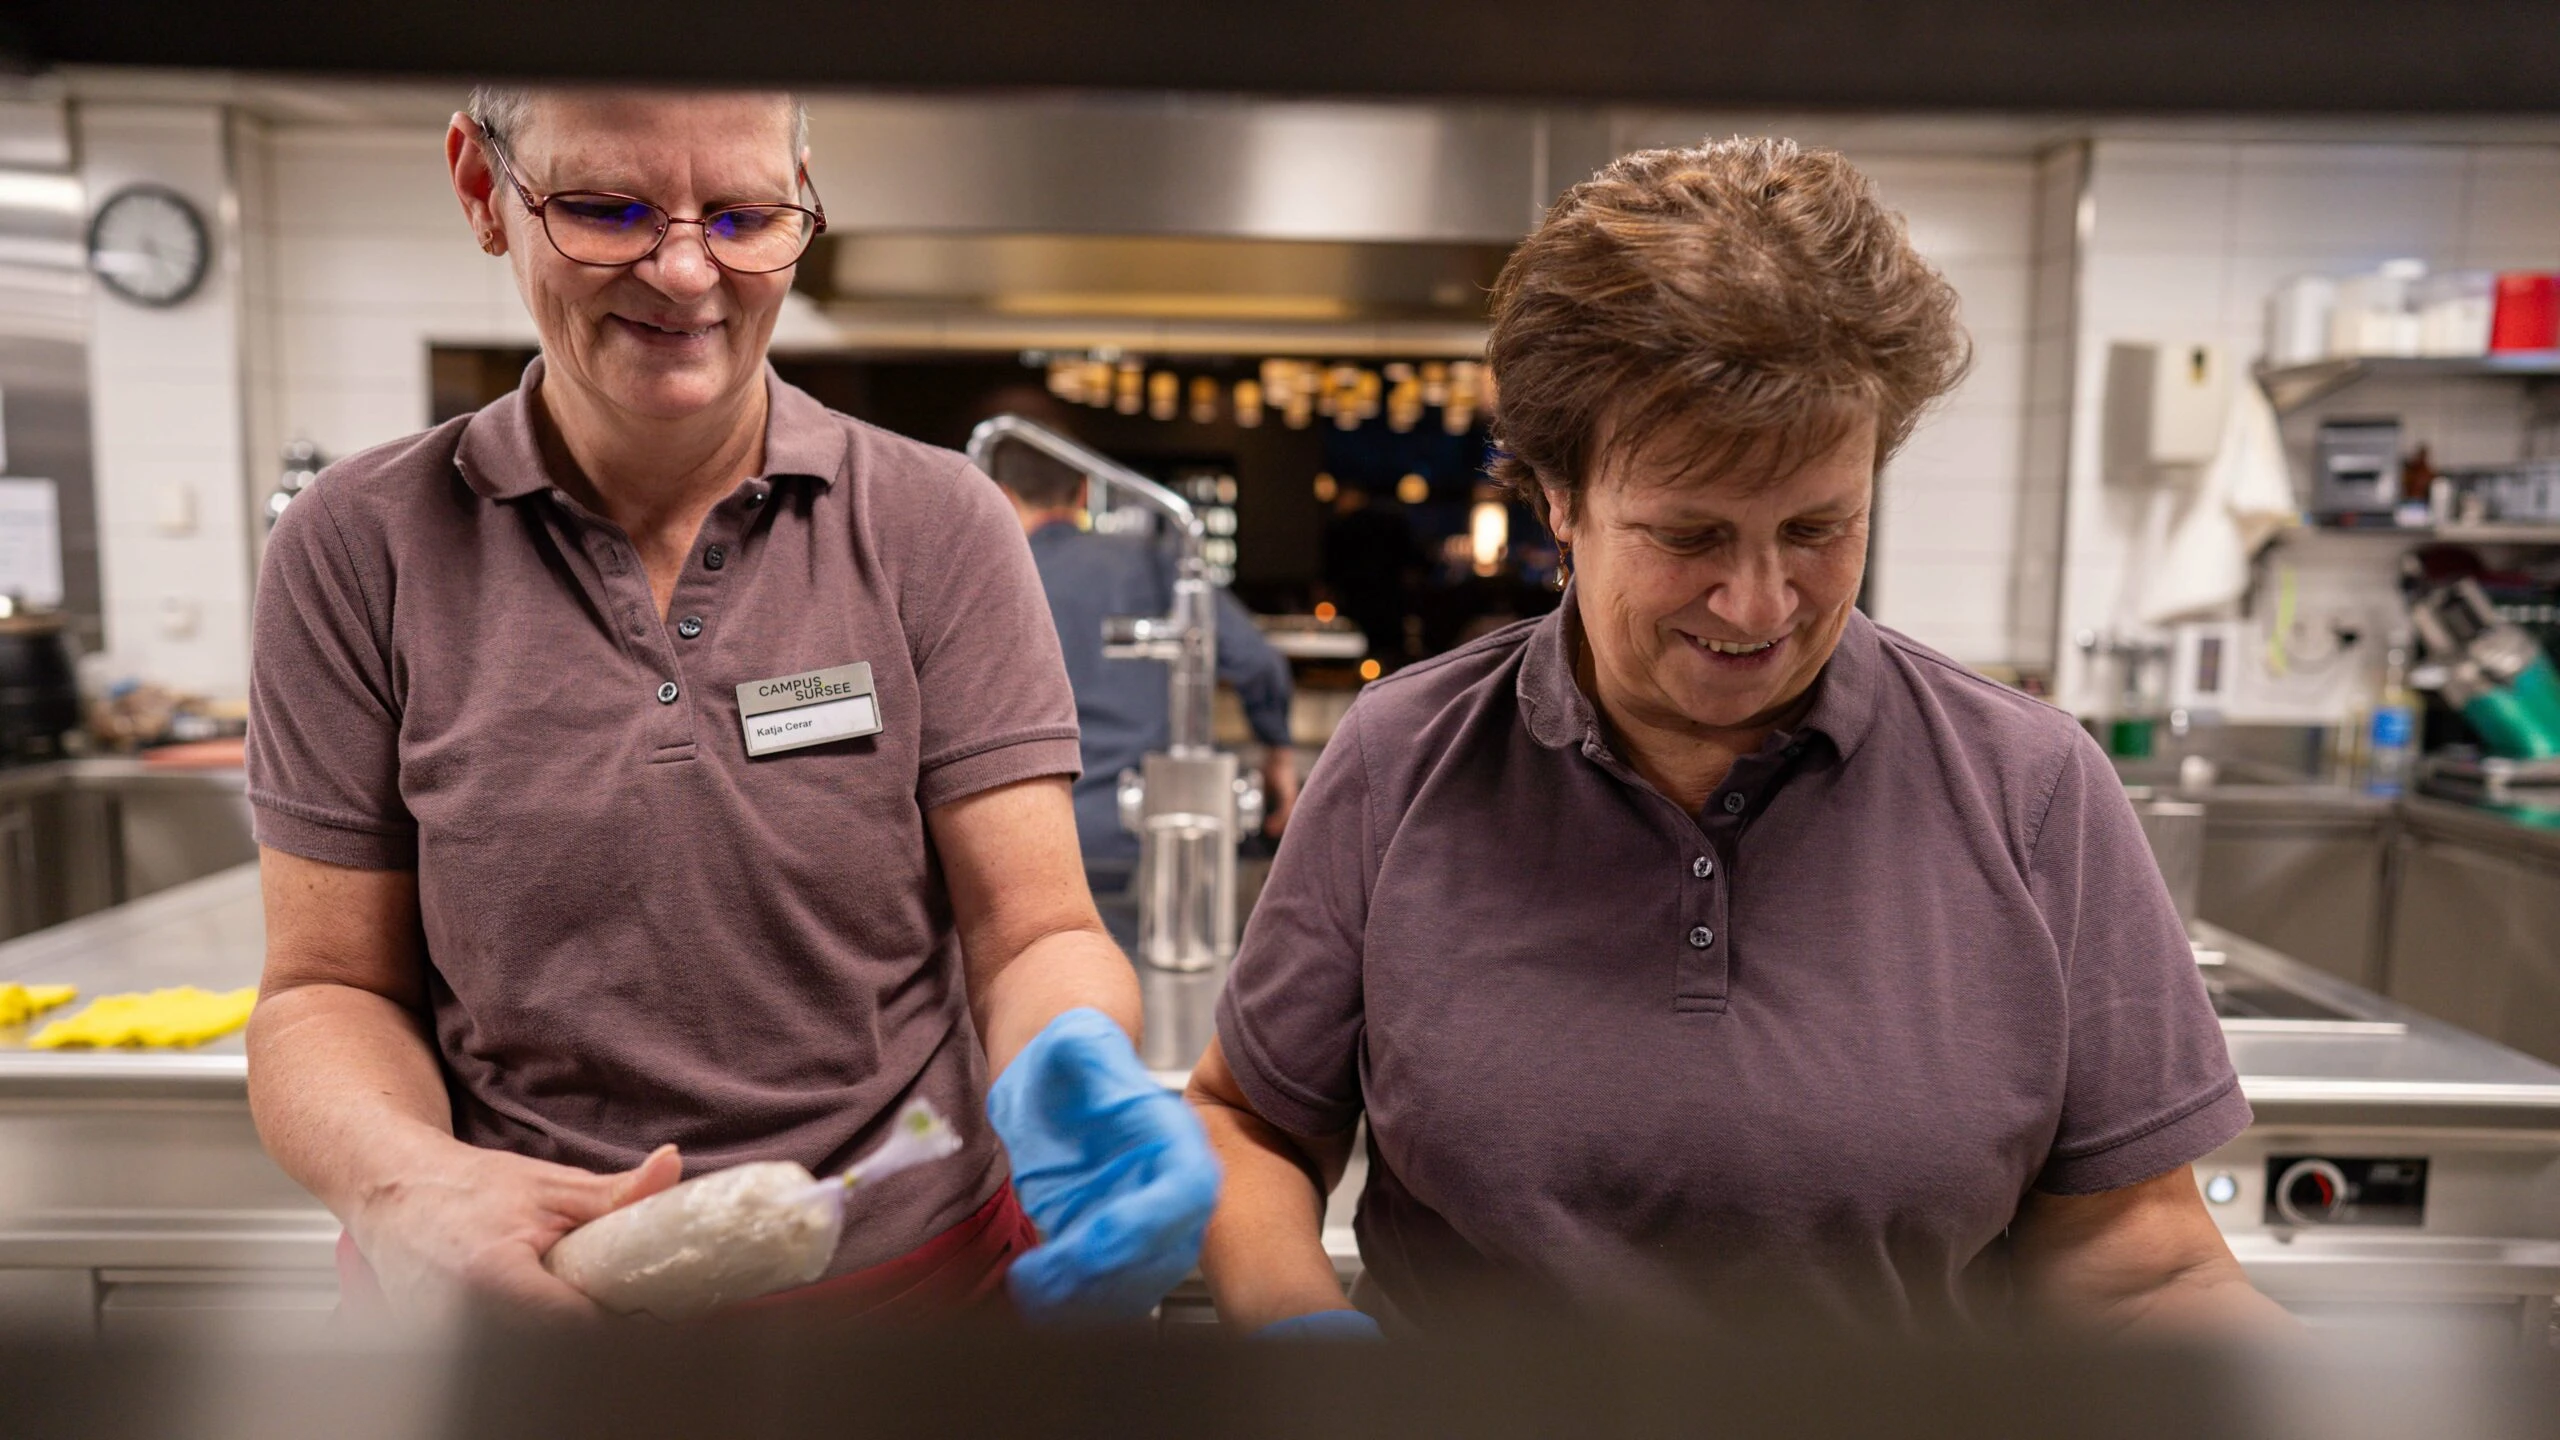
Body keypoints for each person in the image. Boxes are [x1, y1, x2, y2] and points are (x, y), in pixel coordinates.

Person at [1188, 138, 2292, 1337]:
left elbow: (2143, 1262)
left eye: (1819, 526)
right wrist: (1301, 1336)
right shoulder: (1405, 757)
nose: (1760, 603)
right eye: (1690, 535)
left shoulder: (2030, 789)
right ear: (1560, 500)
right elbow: (1249, 1125)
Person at [242, 86, 1216, 1324]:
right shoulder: (362, 546)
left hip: (913, 1295)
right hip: (518, 1301)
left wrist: (1078, 1062)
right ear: (484, 190)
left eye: (747, 216)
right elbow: (329, 990)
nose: (688, 273)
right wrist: (406, 1192)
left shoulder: (932, 524)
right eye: (607, 209)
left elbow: (1030, 935)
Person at [983, 415, 1298, 946]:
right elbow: (1257, 660)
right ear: (1085, 490)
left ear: (1001, 496)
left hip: (1029, 847)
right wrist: (1279, 755)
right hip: (1144, 849)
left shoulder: (990, 575)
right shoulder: (1150, 560)